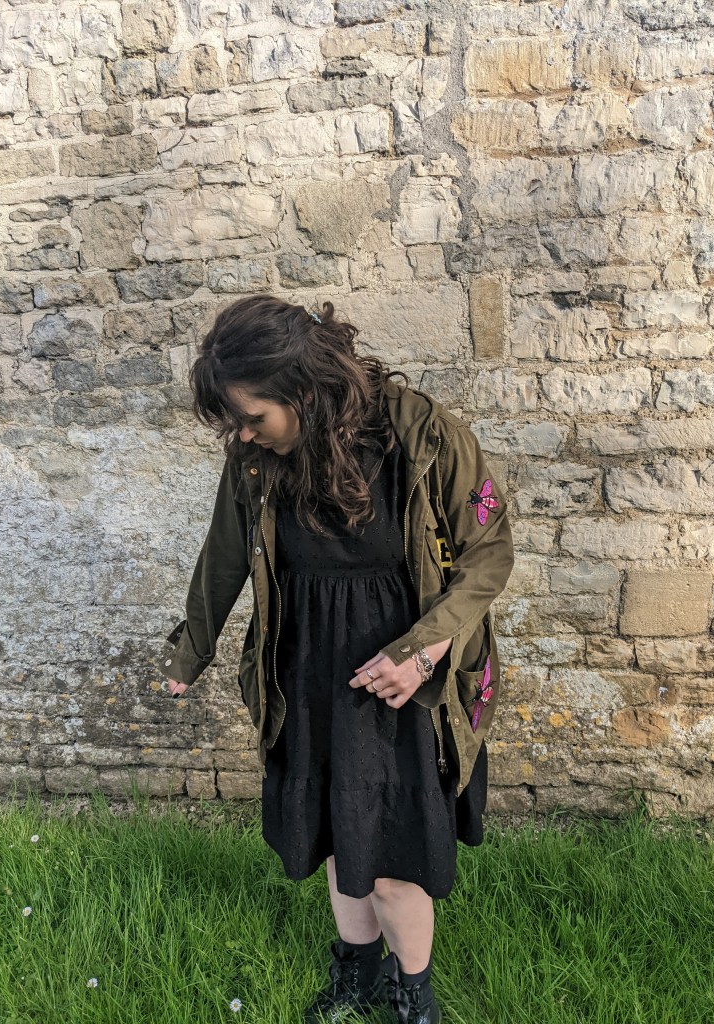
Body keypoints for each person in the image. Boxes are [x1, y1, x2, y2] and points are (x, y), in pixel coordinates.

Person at [161, 295, 515, 1024]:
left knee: (390, 862)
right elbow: (223, 557)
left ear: (300, 389)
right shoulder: (257, 464)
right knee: (336, 839)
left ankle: (413, 994)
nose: (243, 434)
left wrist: (420, 656)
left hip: (403, 685)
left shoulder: (420, 432)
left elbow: (488, 554)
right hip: (309, 672)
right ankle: (355, 973)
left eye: (252, 416)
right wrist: (190, 651)